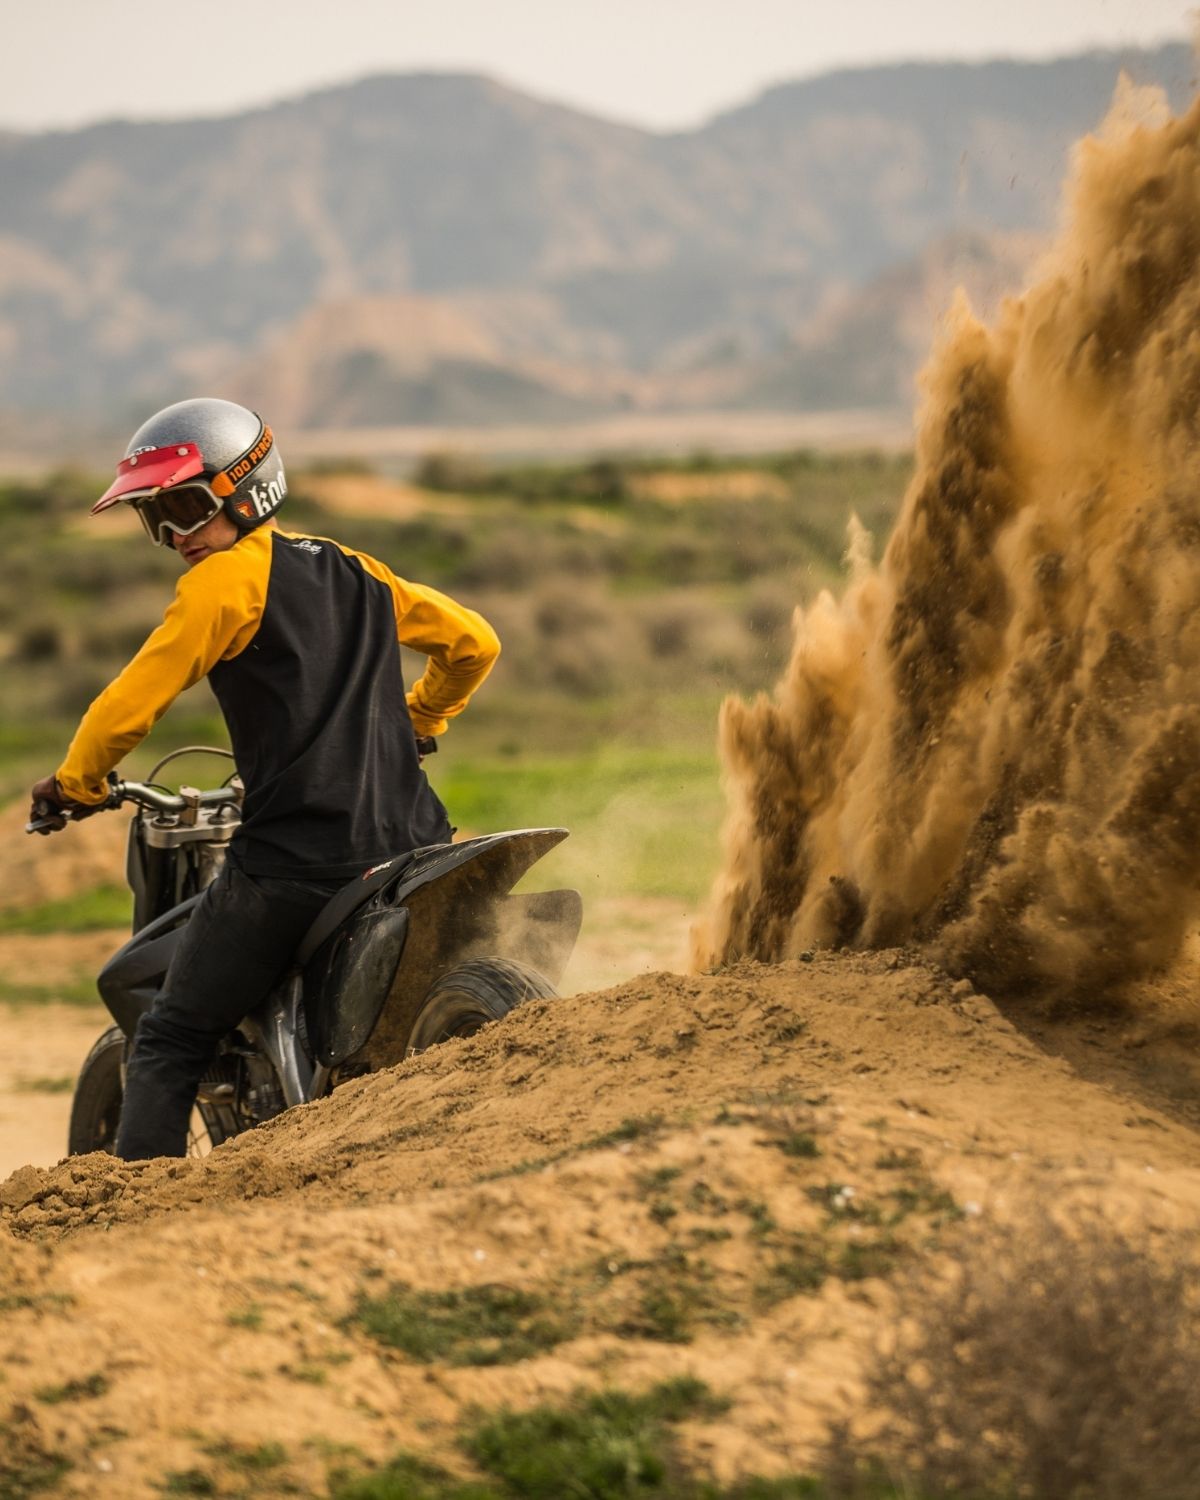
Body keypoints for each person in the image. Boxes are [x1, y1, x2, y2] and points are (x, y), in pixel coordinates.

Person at [29, 397, 500, 1160]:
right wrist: (421, 720)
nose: (175, 537)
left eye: (184, 509)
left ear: (246, 490)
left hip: (297, 867)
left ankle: (132, 1210)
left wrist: (75, 784)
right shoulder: (354, 569)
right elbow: (475, 642)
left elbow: (127, 706)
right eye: (155, 520)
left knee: (171, 1035)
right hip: (417, 843)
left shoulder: (222, 585)